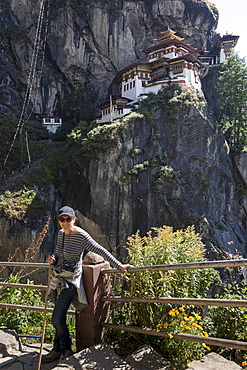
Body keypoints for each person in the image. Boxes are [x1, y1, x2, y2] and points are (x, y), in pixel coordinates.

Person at [42, 205, 131, 363]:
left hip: (70, 282)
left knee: (56, 319)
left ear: (74, 219)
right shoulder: (61, 234)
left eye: (68, 219)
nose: (65, 222)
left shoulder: (82, 236)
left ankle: (67, 348)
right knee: (59, 316)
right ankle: (57, 350)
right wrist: (53, 258)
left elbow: (101, 250)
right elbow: (57, 252)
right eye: (62, 219)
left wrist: (119, 265)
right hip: (57, 279)